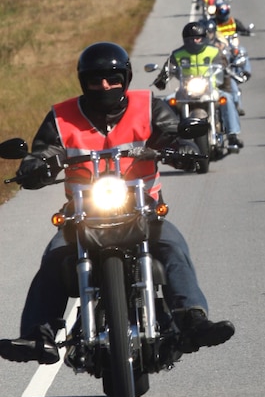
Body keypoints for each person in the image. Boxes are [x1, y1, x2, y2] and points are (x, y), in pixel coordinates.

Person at [0, 42, 235, 366]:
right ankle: (38, 336)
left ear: (125, 78)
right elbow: (45, 150)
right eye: (96, 80)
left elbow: (171, 133)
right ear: (84, 82)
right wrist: (35, 166)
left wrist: (184, 148)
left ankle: (192, 320)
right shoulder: (62, 117)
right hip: (82, 215)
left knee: (173, 246)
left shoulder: (147, 107)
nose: (105, 86)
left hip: (143, 210)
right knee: (54, 256)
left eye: (112, 79)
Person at [155, 21, 243, 149]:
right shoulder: (177, 54)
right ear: (185, 40)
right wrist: (162, 79)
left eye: (198, 38)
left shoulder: (214, 52)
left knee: (227, 99)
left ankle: (232, 136)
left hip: (211, 89)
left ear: (204, 38)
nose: (195, 41)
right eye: (191, 39)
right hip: (185, 91)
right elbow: (169, 68)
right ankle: (169, 138)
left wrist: (227, 87)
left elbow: (224, 70)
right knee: (167, 103)